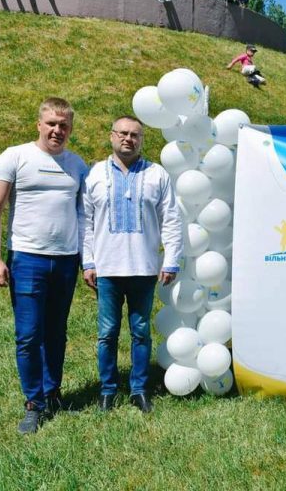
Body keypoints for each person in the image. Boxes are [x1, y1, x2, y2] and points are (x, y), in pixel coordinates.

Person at [0, 97, 87, 434]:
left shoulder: (77, 165)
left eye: (63, 125)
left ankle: (52, 392)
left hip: (66, 260)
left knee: (56, 332)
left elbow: (85, 215)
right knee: (28, 335)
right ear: (39, 124)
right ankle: (33, 402)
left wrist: (87, 259)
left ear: (70, 129)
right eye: (51, 124)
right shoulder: (14, 157)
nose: (57, 130)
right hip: (27, 259)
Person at [82, 116, 183, 413]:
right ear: (112, 136)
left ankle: (139, 389)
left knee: (140, 331)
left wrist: (171, 260)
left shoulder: (157, 174)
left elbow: (171, 218)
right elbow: (85, 222)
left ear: (142, 140)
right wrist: (88, 261)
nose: (128, 139)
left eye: (135, 135)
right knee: (107, 332)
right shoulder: (94, 174)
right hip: (107, 269)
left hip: (143, 268)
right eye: (123, 133)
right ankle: (107, 390)